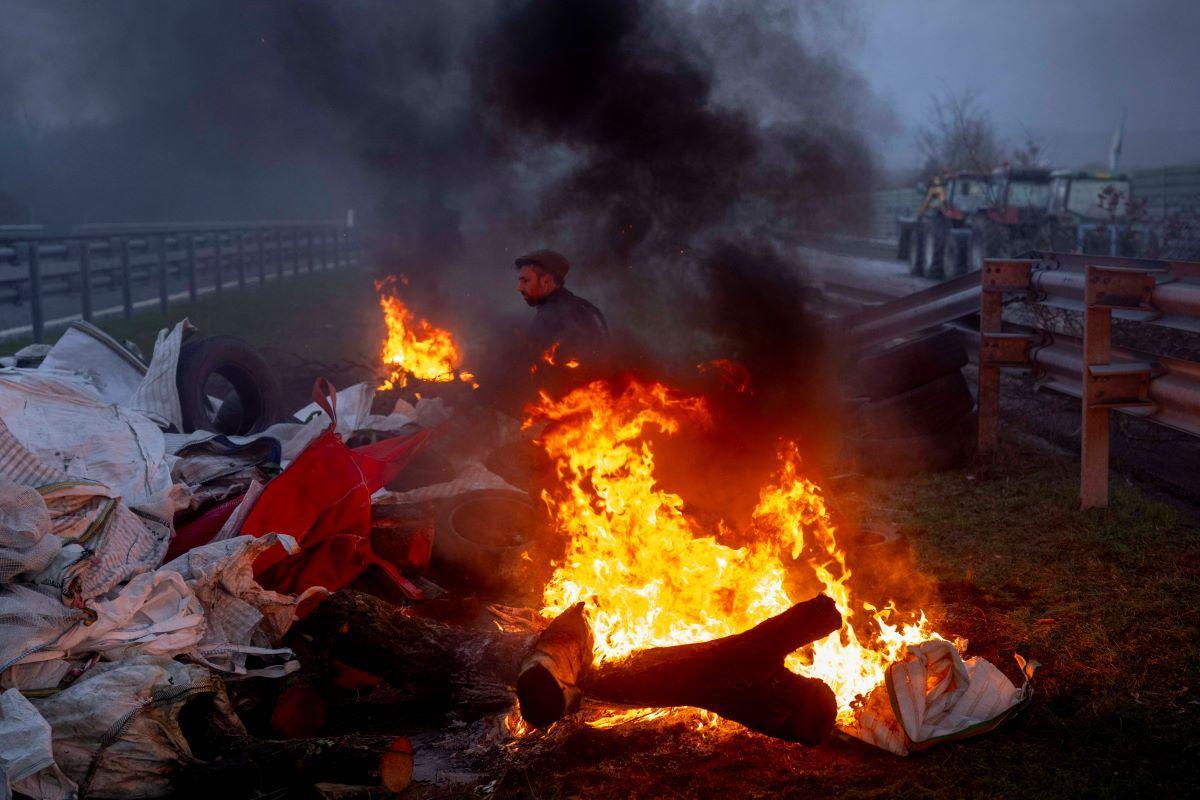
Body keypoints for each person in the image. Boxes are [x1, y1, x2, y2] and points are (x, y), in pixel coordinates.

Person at [514, 249, 609, 365]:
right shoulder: (589, 308)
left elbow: (531, 365)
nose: (519, 288)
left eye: (526, 281)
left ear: (546, 281)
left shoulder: (548, 316)